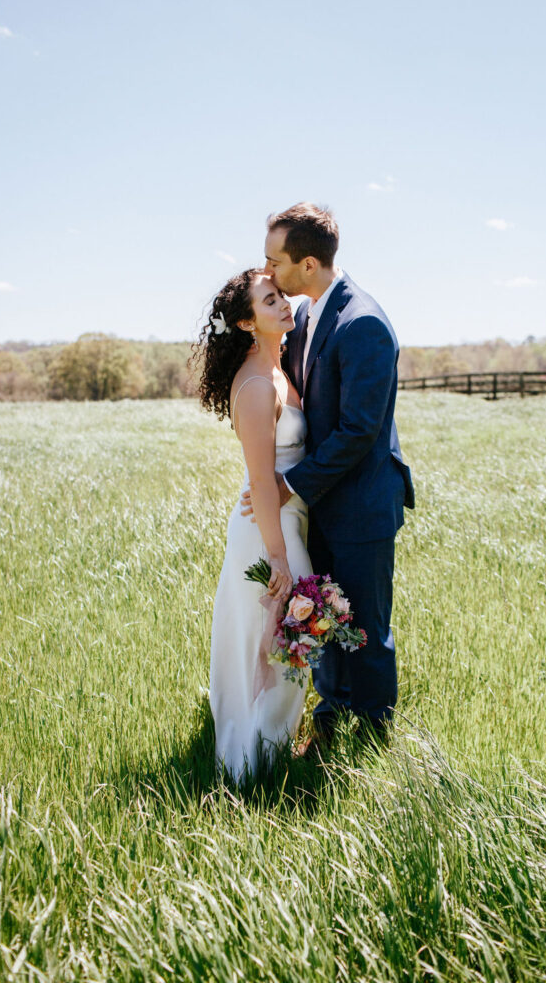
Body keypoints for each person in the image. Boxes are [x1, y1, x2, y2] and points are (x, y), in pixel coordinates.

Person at [245, 202, 414, 750]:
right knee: (325, 615)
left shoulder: (362, 322)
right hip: (324, 501)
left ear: (309, 264)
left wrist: (289, 485)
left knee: (365, 627)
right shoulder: (310, 314)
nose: (268, 271)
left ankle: (371, 738)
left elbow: (359, 430)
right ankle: (331, 718)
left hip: (362, 502)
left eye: (276, 261)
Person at [194, 268, 312, 781]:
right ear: (246, 322)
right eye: (269, 301)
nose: (284, 304)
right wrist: (279, 558)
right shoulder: (258, 384)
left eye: (281, 295)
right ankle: (251, 766)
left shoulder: (276, 369)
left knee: (287, 642)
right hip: (270, 531)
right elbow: (263, 483)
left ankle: (269, 755)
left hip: (285, 522)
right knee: (276, 641)